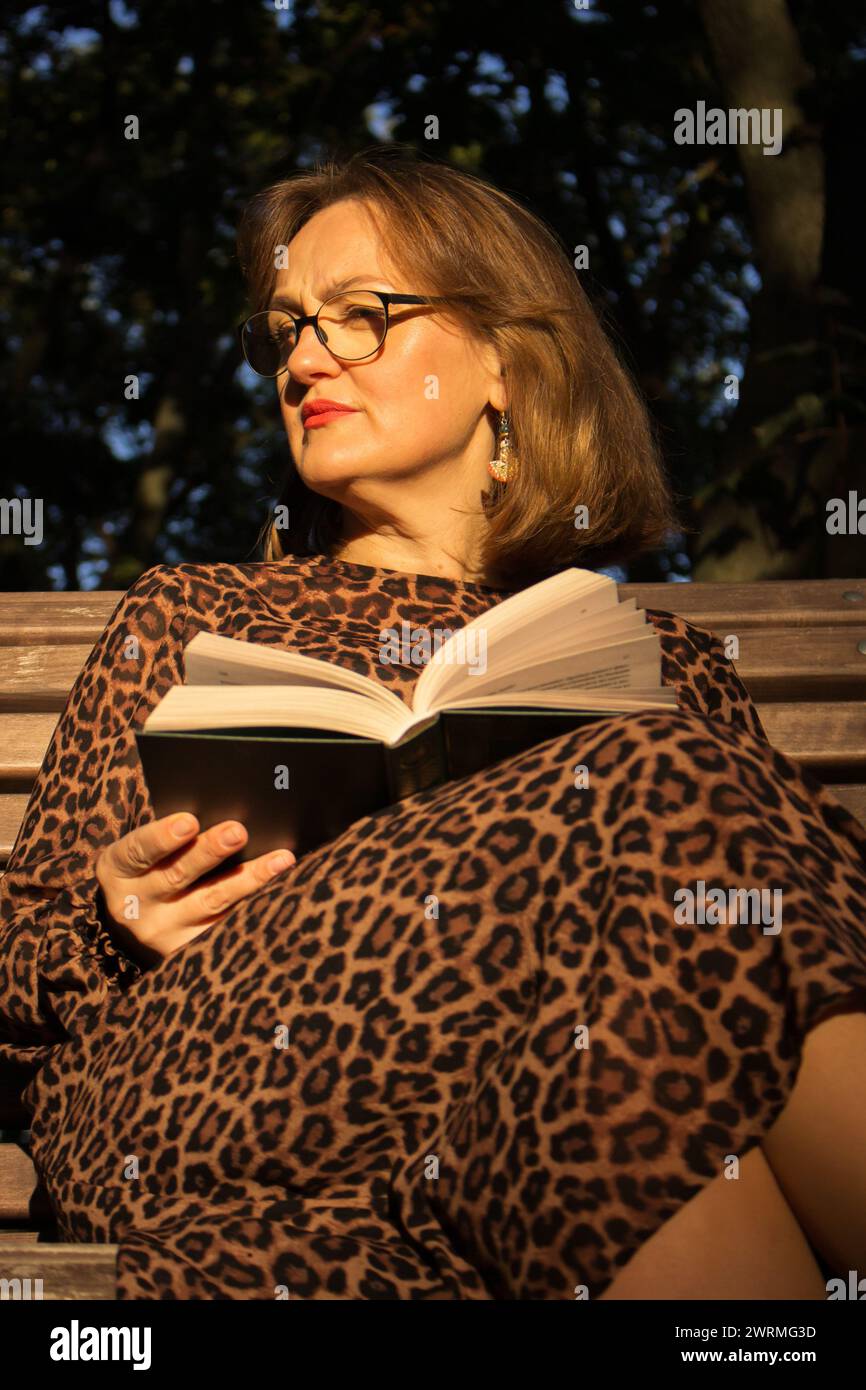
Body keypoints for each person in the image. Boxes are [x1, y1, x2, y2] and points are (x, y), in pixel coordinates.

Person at [1, 146, 865, 1301]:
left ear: (503, 360)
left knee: (623, 1091)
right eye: (287, 328)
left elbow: (791, 927)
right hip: (203, 1079)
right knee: (641, 778)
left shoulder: (659, 665)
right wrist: (111, 911)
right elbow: (11, 958)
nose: (305, 357)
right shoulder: (194, 614)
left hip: (521, 1097)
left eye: (361, 316)